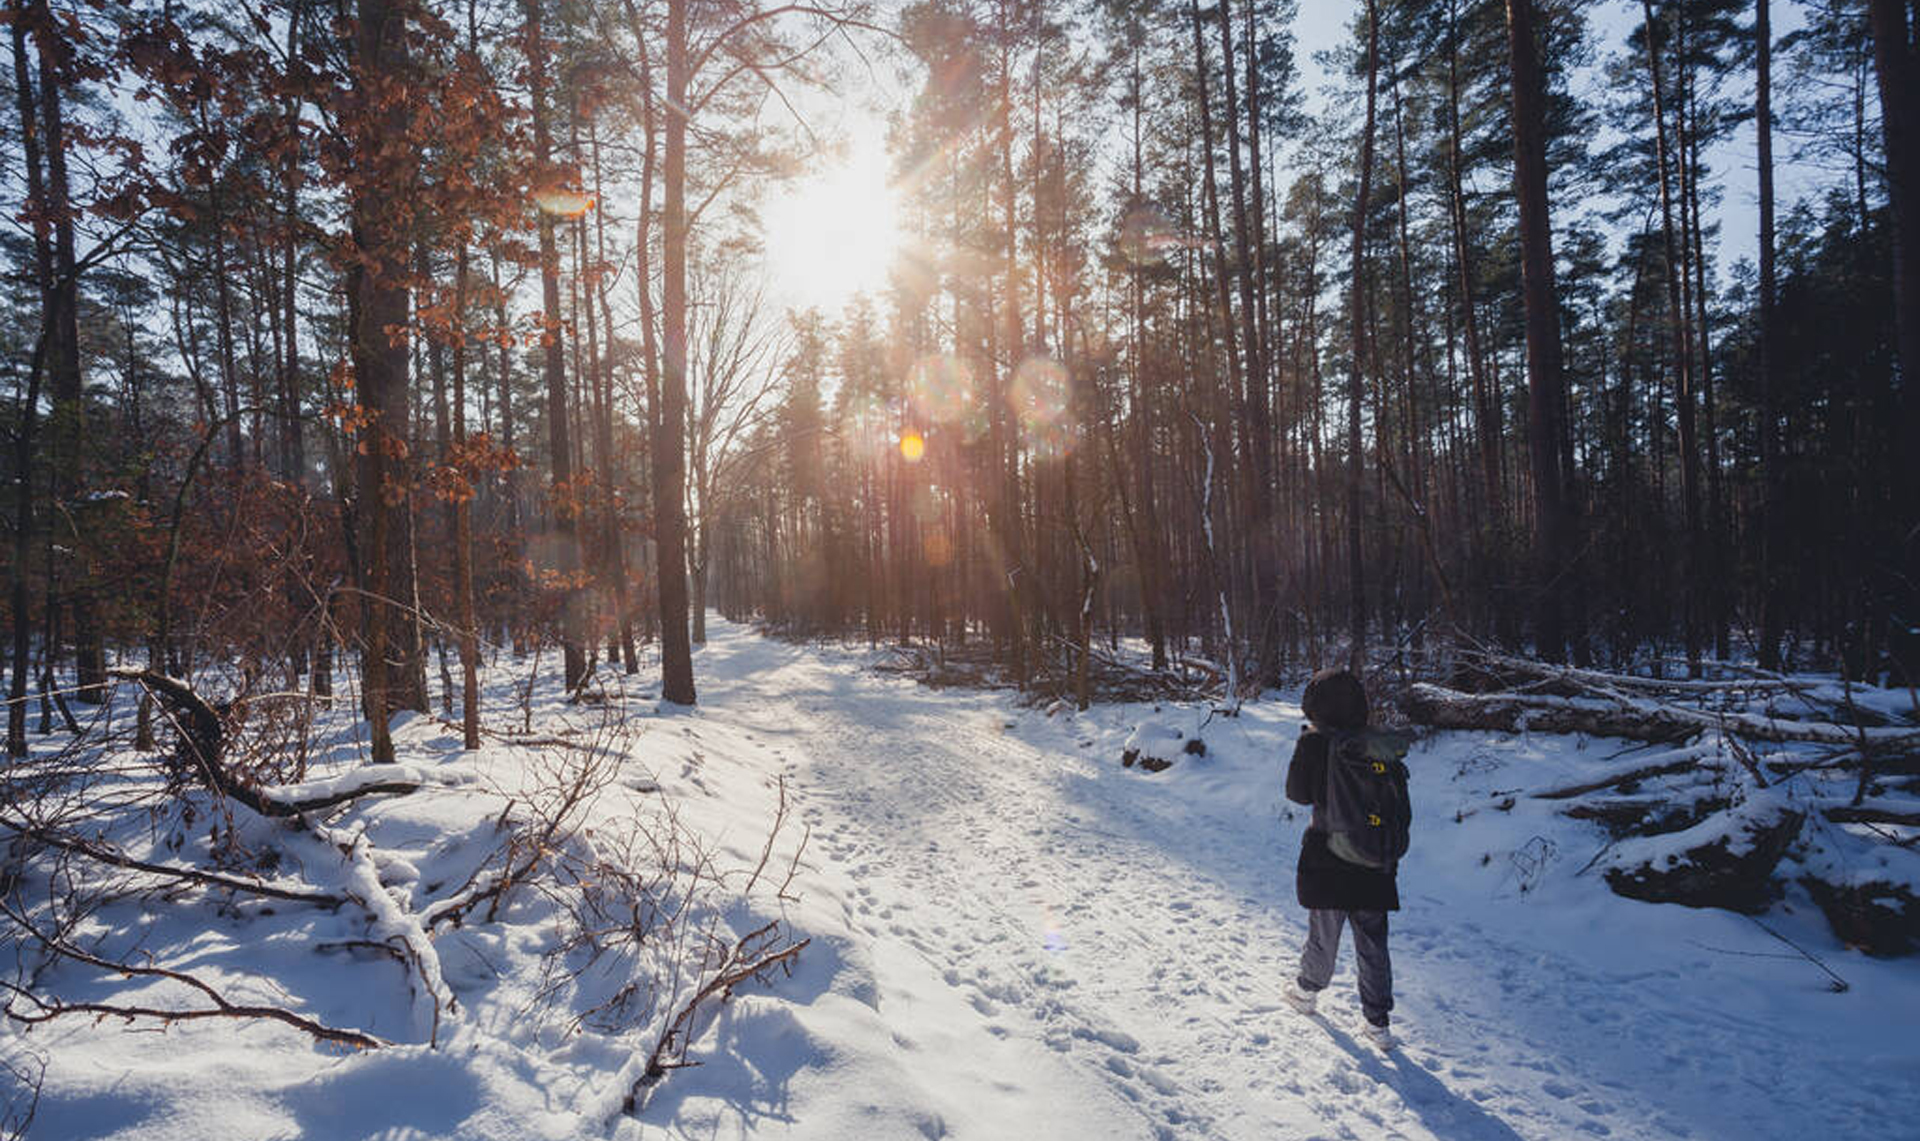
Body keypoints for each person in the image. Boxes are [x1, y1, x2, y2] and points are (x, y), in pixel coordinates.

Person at [1282, 666, 1400, 1050]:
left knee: (1324, 932)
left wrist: (1306, 749)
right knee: (1373, 941)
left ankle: (1306, 991)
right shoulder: (1378, 743)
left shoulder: (1315, 743)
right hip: (1374, 858)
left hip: (1328, 855)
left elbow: (1297, 795)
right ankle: (1378, 1025)